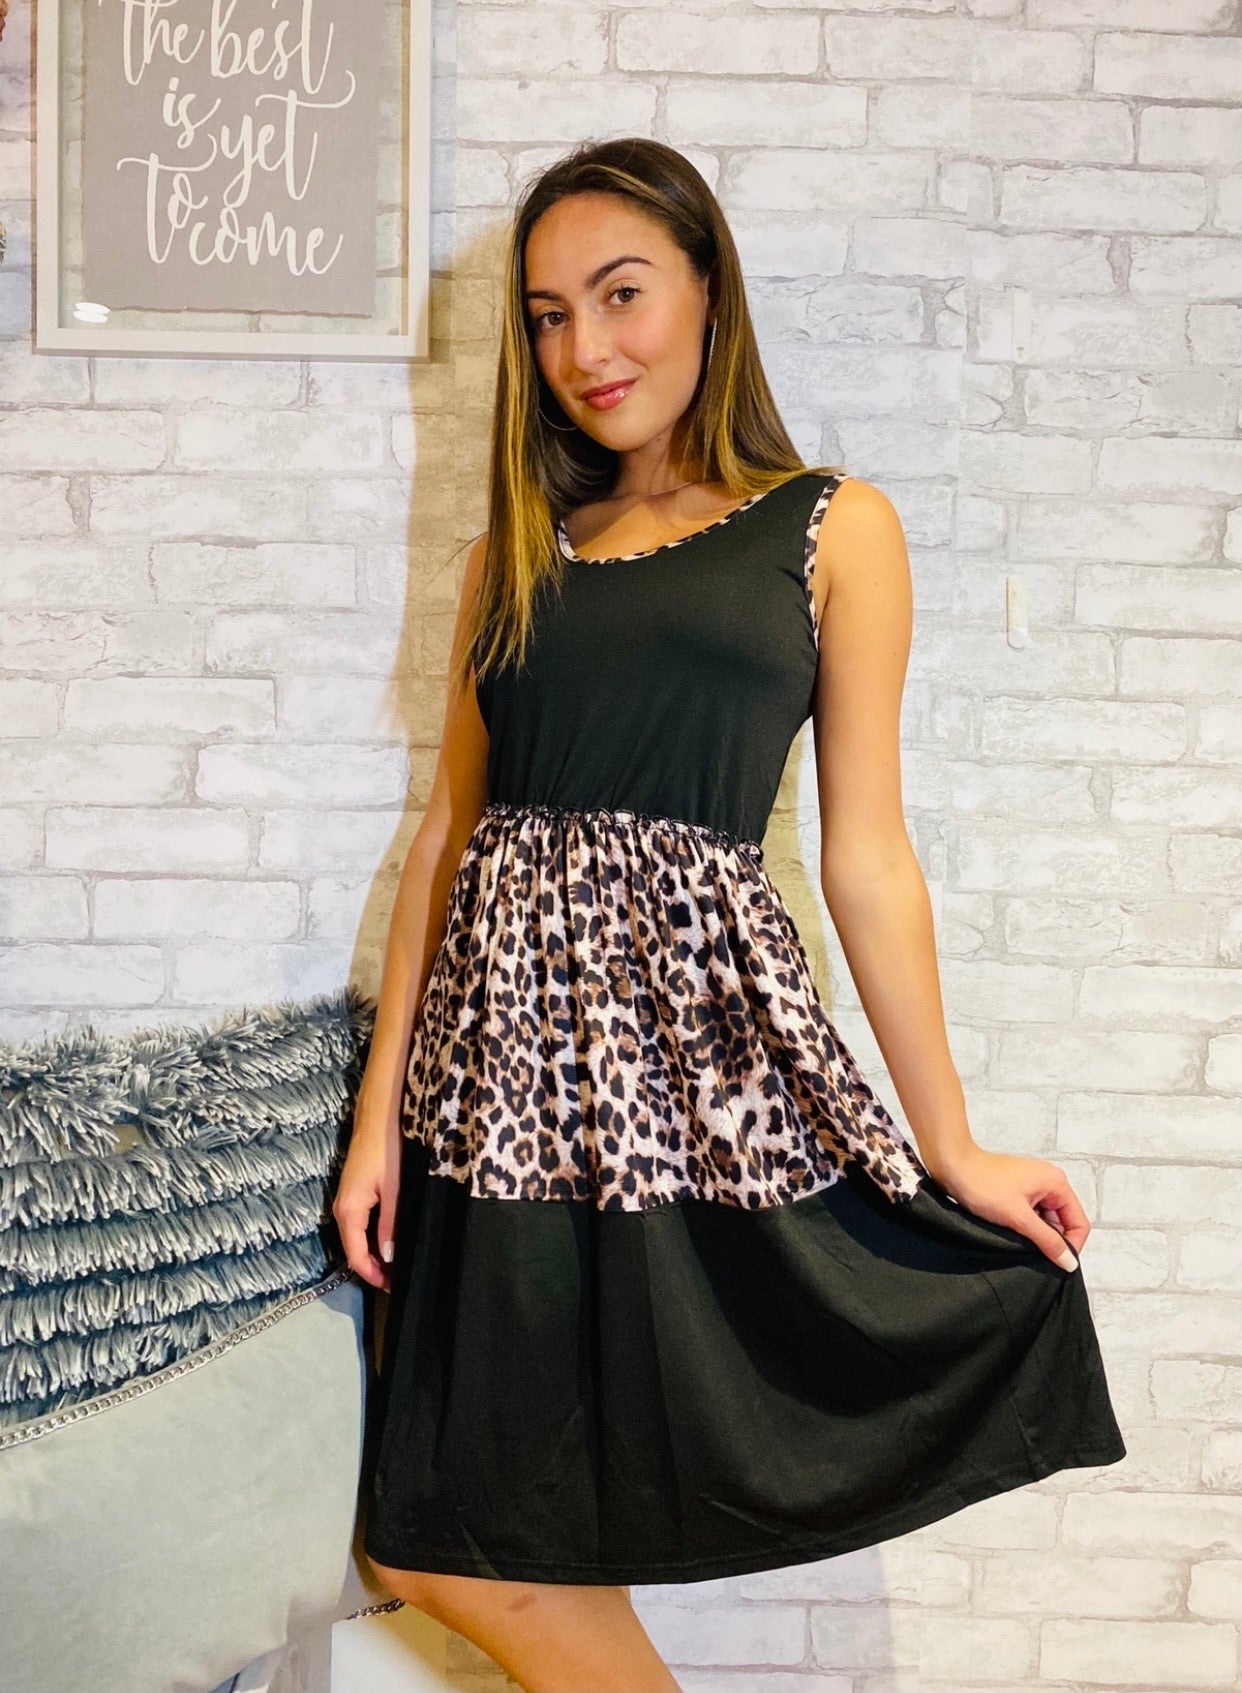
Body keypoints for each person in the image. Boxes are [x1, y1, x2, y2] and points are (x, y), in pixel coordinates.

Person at [333, 136, 1126, 1693]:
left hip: (693, 1095)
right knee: (445, 1533)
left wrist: (951, 1140)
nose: (585, 347)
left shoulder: (831, 528)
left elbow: (866, 856)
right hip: (491, 1103)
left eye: (620, 293)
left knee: (533, 1515)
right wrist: (377, 1127)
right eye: (548, 315)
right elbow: (448, 839)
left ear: (708, 288)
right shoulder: (511, 555)